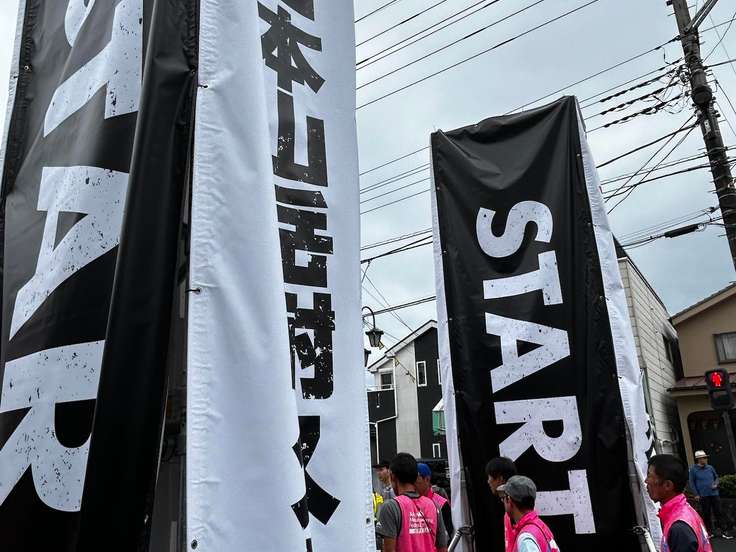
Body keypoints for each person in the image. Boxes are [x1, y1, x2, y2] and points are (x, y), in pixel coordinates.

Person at [376, 452, 449, 552]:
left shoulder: (391, 507)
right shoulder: (434, 506)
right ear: (415, 477)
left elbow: (389, 550)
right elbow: (443, 549)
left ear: (392, 476)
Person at [646, 454, 712, 552]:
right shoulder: (684, 510)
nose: (646, 481)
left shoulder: (679, 527)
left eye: (649, 476)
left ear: (667, 485)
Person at [497, 476, 559, 552]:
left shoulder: (526, 539)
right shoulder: (541, 526)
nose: (502, 501)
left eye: (503, 498)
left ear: (509, 500)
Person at [689, 450, 731, 539]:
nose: (705, 459)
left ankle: (724, 531)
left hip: (714, 494)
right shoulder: (693, 469)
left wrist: (716, 483)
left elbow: (716, 477)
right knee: (706, 514)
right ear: (698, 459)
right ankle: (710, 532)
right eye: (703, 458)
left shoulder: (710, 467)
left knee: (719, 512)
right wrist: (696, 494)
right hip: (703, 495)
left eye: (705, 458)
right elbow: (692, 483)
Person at [486, 457, 518, 552]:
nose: (488, 481)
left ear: (500, 479)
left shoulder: (515, 509)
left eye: (490, 477)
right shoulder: (508, 505)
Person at [416, 462, 453, 537]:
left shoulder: (442, 503)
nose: (413, 484)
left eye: (416, 480)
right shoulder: (411, 501)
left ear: (427, 479)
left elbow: (447, 531)